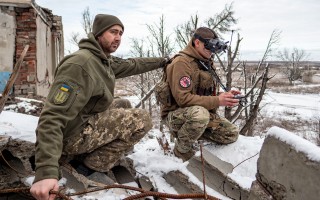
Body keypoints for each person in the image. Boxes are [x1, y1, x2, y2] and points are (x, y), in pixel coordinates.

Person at [30, 14, 168, 200]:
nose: (118, 37)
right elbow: (52, 118)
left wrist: (163, 61)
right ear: (98, 34)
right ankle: (90, 166)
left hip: (81, 121)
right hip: (69, 136)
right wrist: (46, 172)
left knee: (123, 104)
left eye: (120, 33)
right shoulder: (80, 65)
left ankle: (86, 154)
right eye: (113, 32)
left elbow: (133, 64)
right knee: (142, 119)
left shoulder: (102, 60)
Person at [160, 27, 240, 162]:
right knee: (200, 115)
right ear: (197, 43)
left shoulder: (204, 62)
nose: (211, 51)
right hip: (175, 115)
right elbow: (183, 99)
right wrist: (217, 101)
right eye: (208, 47)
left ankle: (192, 133)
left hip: (197, 112)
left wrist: (223, 96)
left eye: (213, 48)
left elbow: (202, 92)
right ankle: (181, 150)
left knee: (231, 133)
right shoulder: (182, 63)